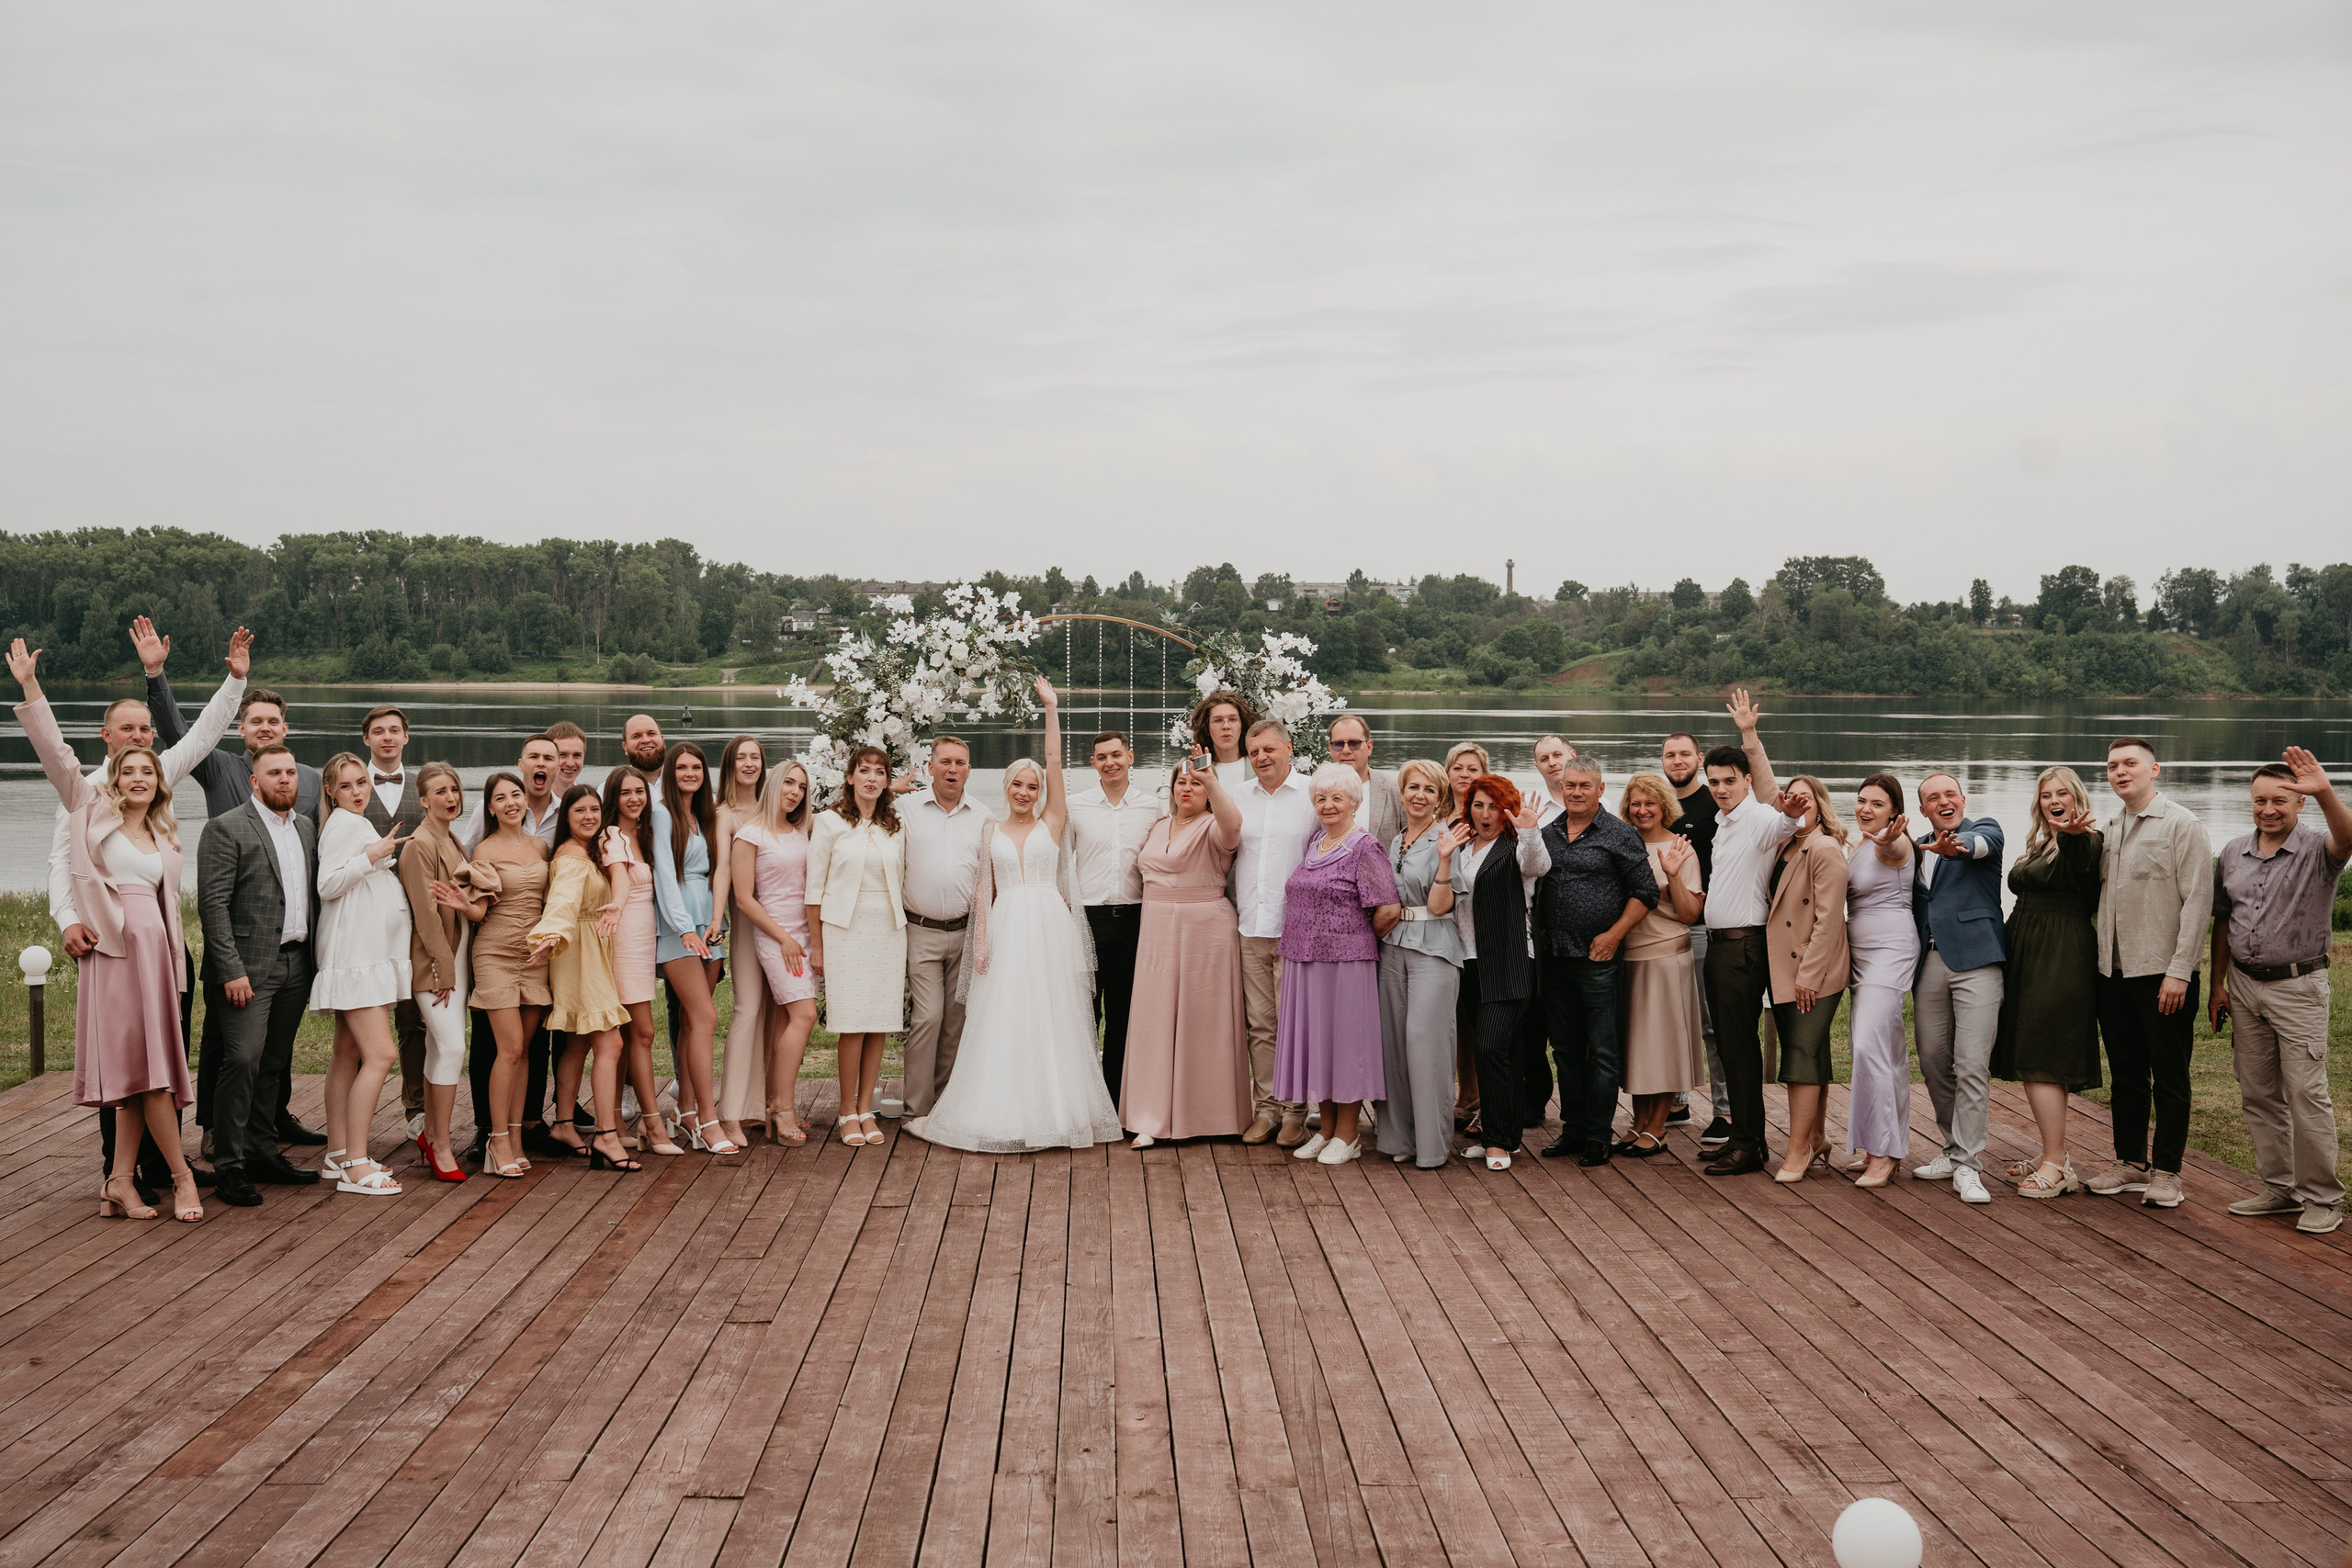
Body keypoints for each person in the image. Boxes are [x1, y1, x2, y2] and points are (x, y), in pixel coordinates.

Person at [49, 615, 249, 1199]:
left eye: (146, 729)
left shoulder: (155, 781)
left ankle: (161, 1164)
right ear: (106, 736)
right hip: (111, 941)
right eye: (128, 729)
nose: (140, 736)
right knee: (123, 1059)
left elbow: (204, 735)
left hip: (163, 945)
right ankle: (123, 1168)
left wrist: (231, 682)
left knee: (165, 1055)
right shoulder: (81, 794)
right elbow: (61, 865)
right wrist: (67, 921)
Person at [11, 639, 203, 1223]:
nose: (141, 775)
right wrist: (31, 688)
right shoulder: (91, 811)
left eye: (149, 769)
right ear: (115, 779)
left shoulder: (165, 835)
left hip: (157, 960)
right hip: (116, 959)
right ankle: (182, 1177)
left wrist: (175, 968)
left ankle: (119, 1181)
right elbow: (57, 755)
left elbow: (168, 912)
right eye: (130, 770)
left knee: (137, 1075)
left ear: (159, 779)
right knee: (152, 1079)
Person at [906, 680, 1125, 1152]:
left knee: (1054, 1011)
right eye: (1017, 785)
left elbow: (1052, 760)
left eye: (1032, 787)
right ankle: (1000, 1109)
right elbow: (984, 891)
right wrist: (981, 941)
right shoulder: (989, 829)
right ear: (1005, 787)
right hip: (1006, 926)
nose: (1025, 792)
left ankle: (1061, 1111)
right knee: (1004, 1015)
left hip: (1049, 923)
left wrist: (1051, 708)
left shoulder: (1053, 821)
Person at [153, 672, 331, 1155]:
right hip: (236, 934)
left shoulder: (306, 777)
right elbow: (177, 733)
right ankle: (215, 1127)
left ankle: (272, 1118)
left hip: (289, 938)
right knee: (225, 1041)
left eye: (274, 721)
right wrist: (157, 676)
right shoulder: (218, 767)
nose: (266, 728)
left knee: (275, 1044)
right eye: (256, 721)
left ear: (285, 729)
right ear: (240, 730)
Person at [2211, 749, 2349, 1235]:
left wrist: (2327, 790)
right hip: (2245, 987)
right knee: (2258, 1092)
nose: (2268, 809)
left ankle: (2323, 1198)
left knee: (2306, 1093)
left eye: (2280, 801)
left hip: (2298, 988)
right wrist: (2217, 987)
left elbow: (2349, 837)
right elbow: (2225, 922)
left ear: (2300, 804)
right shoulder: (2232, 852)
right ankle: (2281, 1188)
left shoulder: (2319, 850)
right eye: (2259, 801)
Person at [2086, 738, 2215, 1210]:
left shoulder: (2182, 825)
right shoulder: (2111, 828)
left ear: (2154, 769)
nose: (2120, 772)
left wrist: (2181, 972)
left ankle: (2168, 1171)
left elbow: (2199, 902)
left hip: (2164, 974)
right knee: (2126, 1073)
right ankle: (2129, 1163)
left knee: (2170, 1074)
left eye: (2130, 764)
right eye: (2113, 766)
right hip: (2113, 974)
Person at [195, 743, 322, 1208]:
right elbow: (213, 907)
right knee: (243, 1059)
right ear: (254, 780)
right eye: (274, 773)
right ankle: (229, 1165)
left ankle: (263, 1152)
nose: (285, 780)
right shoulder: (225, 828)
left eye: (290, 772)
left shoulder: (307, 827)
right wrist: (230, 969)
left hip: (295, 964)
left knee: (274, 1061)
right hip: (245, 970)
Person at [1697, 691, 1808, 1177]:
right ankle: (1746, 1136)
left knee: (1739, 1048)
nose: (1721, 789)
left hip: (1743, 946)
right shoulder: (1724, 822)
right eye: (1714, 782)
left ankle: (1747, 1145)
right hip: (1721, 946)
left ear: (1746, 780)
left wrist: (1750, 736)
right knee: (1728, 1044)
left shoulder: (1760, 818)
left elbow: (1788, 819)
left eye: (1729, 781)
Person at [1273, 763, 1404, 1166]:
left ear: (1354, 802)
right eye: (1321, 798)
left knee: (1346, 1048)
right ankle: (1326, 1130)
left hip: (1346, 965)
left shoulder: (1364, 847)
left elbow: (1388, 908)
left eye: (1337, 798)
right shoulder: (1317, 841)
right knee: (1320, 1047)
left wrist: (1354, 939)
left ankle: (1348, 1136)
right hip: (1304, 959)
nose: (1328, 805)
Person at [1533, 753, 1657, 1165]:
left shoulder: (1619, 834)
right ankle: (1573, 1129)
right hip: (1555, 958)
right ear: (1562, 788)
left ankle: (1598, 1135)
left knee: (1602, 1050)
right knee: (1565, 1050)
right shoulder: (1546, 832)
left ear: (1601, 789)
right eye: (1571, 785)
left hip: (1598, 958)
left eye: (1585, 785)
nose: (1577, 792)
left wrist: (1613, 935)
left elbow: (1645, 893)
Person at [1989, 767, 2104, 1200]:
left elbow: (2080, 860)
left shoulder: (2086, 840)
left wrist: (2073, 835)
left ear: (2076, 798)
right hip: (2027, 950)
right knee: (2033, 1051)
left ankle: (2057, 1164)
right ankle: (2049, 1153)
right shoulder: (2041, 843)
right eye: (2045, 795)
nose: (2053, 800)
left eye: (2062, 793)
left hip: (2060, 954)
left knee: (2044, 1054)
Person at [1121, 757, 1247, 1147]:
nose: (1186, 788)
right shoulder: (1159, 825)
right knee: (1153, 1019)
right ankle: (1150, 1115)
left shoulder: (1214, 825)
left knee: (1204, 1019)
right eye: (1180, 782)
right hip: (1156, 926)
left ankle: (1213, 1115)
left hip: (1204, 928)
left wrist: (1213, 780)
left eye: (1196, 783)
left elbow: (1234, 827)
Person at [310, 752, 415, 1199]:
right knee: (382, 1054)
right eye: (347, 785)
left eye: (361, 784)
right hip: (357, 960)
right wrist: (371, 855)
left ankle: (338, 1153)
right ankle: (355, 1163)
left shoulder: (352, 822)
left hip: (364, 956)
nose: (358, 791)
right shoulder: (345, 825)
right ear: (331, 791)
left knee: (347, 1053)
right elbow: (328, 884)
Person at [459, 734, 564, 1161]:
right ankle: (496, 1139)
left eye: (515, 796)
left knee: (525, 1053)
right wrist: (460, 904)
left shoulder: (541, 846)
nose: (510, 803)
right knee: (511, 1049)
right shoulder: (484, 848)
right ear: (489, 807)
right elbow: (481, 910)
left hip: (534, 957)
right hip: (496, 955)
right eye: (500, 798)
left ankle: (518, 1136)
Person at [528, 785, 640, 1172]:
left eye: (595, 809)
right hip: (577, 953)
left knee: (577, 1042)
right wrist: (551, 935)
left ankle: (562, 1124)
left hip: (590, 949)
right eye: (580, 811)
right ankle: (607, 1135)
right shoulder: (573, 858)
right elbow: (563, 902)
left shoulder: (591, 849)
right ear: (567, 817)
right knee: (610, 1042)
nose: (590, 816)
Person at [1908, 771, 2007, 1205]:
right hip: (1929, 959)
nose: (1943, 801)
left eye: (1950, 794)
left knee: (1971, 1062)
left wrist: (1956, 846)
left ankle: (1968, 1164)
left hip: (1977, 959)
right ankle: (1951, 1148)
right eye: (1933, 798)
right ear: (1923, 809)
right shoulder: (1917, 849)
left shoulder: (1984, 830)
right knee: (1932, 1058)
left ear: (1963, 799)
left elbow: (1980, 846)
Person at [807, 745, 910, 1146]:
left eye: (879, 772)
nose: (871, 778)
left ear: (886, 781)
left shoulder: (894, 825)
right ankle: (845, 1109)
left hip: (887, 928)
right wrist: (817, 946)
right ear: (849, 777)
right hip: (844, 930)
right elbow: (814, 890)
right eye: (863, 771)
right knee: (851, 1023)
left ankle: (867, 1108)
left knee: (880, 1021)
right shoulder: (829, 823)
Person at [1374, 761, 1470, 1169]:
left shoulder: (1446, 840)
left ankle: (1432, 1147)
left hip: (1434, 948)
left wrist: (1446, 860)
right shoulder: (1396, 841)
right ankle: (1401, 1138)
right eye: (1413, 787)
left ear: (1440, 797)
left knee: (1424, 1042)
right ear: (1402, 792)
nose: (1419, 795)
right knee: (1393, 1043)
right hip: (1393, 947)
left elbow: (1438, 905)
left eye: (1429, 790)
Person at [1453, 774, 1550, 1170]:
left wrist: (1528, 831)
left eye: (1494, 806)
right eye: (1478, 805)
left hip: (1509, 961)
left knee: (1490, 1047)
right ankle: (1504, 1134)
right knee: (1501, 1052)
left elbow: (1538, 865)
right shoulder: (1459, 845)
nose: (1485, 814)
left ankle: (1496, 1141)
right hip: (1467, 962)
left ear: (1506, 810)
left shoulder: (1515, 846)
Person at [1066, 728, 1163, 1105]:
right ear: (1093, 764)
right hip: (1087, 919)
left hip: (1135, 919)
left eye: (1116, 755)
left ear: (1130, 757)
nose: (1110, 762)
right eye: (1102, 757)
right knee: (1085, 1011)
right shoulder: (1076, 806)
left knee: (1124, 1013)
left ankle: (1117, 1098)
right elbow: (1060, 861)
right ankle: (1085, 1099)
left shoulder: (1151, 808)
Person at [1234, 718, 1318, 1145]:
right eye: (1254, 752)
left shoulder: (1312, 794)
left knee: (1293, 1023)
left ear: (1289, 748)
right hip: (1250, 926)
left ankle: (1295, 1111)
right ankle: (1265, 1108)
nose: (1262, 757)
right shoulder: (1238, 797)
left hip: (1296, 928)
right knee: (1260, 1025)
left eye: (1269, 749)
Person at [730, 760, 821, 1145]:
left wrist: (893, 791)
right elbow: (744, 899)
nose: (795, 792)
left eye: (801, 787)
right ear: (773, 784)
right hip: (776, 936)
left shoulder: (801, 830)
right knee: (805, 1015)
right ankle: (781, 1107)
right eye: (788, 783)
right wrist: (783, 938)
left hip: (803, 932)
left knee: (788, 1023)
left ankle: (781, 1102)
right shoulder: (751, 835)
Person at [899, 735, 990, 1117]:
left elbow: (989, 877)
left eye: (961, 762)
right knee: (928, 1017)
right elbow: (858, 806)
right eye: (946, 762)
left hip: (966, 932)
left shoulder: (985, 817)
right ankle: (916, 1111)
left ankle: (946, 1108)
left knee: (956, 1022)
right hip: (921, 930)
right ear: (931, 766)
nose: (953, 769)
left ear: (969, 769)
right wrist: (888, 785)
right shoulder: (905, 809)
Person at [1765, 775, 1851, 1182]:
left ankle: (1797, 1149)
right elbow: (1767, 790)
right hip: (1783, 966)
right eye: (1791, 796)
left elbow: (1830, 919)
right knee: (1810, 1050)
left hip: (1813, 971)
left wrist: (1809, 977)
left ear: (1820, 805)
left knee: (1799, 1053)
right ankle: (1816, 1136)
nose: (1799, 802)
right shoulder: (1786, 841)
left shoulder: (1825, 848)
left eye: (1807, 797)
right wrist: (1750, 737)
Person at [1614, 774, 1704, 1158]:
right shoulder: (1620, 844)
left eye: (1650, 803)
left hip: (1667, 954)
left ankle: (1657, 1126)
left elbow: (1689, 914)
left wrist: (1672, 875)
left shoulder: (1681, 848)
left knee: (1664, 1044)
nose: (1642, 810)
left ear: (1665, 806)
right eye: (1635, 803)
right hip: (1627, 955)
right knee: (1636, 1045)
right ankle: (1637, 1121)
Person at [652, 740, 734, 1153]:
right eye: (681, 767)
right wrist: (683, 927)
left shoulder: (704, 815)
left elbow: (719, 871)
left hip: (709, 925)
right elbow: (665, 874)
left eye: (696, 768)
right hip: (678, 927)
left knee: (690, 1022)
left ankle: (685, 1111)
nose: (689, 773)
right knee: (705, 1019)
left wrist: (715, 922)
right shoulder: (662, 813)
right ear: (671, 772)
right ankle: (708, 1119)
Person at [356, 705, 431, 1142]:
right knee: (357, 1021)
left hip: (414, 919)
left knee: (414, 1017)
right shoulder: (347, 783)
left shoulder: (424, 787)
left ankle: (416, 1109)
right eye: (378, 731)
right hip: (363, 919)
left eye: (395, 731)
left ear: (407, 737)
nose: (387, 738)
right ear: (366, 739)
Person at [399, 762, 476, 1181]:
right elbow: (425, 914)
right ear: (423, 800)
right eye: (440, 792)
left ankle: (430, 1133)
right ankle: (442, 1145)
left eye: (454, 789)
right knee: (451, 1048)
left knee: (437, 1049)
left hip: (459, 959)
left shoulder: (455, 841)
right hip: (434, 964)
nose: (450, 797)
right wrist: (442, 969)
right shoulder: (418, 845)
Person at [1844, 773, 1919, 1189]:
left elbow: (1896, 849)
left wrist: (1890, 838)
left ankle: (1883, 1153)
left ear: (1895, 813)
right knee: (1887, 1053)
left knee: (1868, 1045)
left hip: (1890, 953)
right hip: (1860, 958)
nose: (1866, 809)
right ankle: (1885, 1142)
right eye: (1861, 801)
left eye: (1876, 804)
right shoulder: (1857, 844)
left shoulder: (1894, 844)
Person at [600, 765, 678, 1155]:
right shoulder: (613, 836)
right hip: (624, 936)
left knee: (627, 1034)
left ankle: (614, 1117)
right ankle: (652, 1123)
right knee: (641, 1032)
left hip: (646, 938)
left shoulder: (643, 834)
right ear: (612, 798)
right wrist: (614, 904)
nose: (634, 798)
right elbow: (618, 878)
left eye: (640, 792)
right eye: (626, 792)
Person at [1660, 728, 1725, 1145]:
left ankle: (1725, 1110)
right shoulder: (1658, 804)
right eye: (1670, 755)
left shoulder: (1715, 805)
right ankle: (1676, 1100)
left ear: (1699, 759)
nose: (1677, 761)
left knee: (1711, 1023)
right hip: (1662, 928)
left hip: (1704, 926)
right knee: (1669, 1019)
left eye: (1685, 754)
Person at [711, 734, 770, 1149]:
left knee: (774, 1015)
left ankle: (762, 1106)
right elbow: (722, 872)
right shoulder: (725, 814)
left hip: (783, 921)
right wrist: (717, 918)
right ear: (730, 765)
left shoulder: (777, 806)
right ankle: (729, 1112)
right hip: (748, 922)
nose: (749, 763)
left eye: (756, 757)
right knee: (748, 1009)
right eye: (741, 757)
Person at [1443, 741, 1496, 1132]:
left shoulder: (1492, 819)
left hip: (1484, 936)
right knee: (1458, 1022)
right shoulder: (1439, 819)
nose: (1465, 774)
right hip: (1446, 935)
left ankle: (1484, 1100)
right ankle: (1465, 1095)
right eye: (1458, 767)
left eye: (1473, 768)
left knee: (1484, 1023)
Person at [1328, 715, 1403, 842]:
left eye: (1354, 743)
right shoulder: (1317, 792)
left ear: (1369, 747)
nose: (1346, 750)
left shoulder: (1394, 789)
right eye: (1339, 744)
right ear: (1330, 749)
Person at [1190, 688, 1257, 791]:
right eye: (1218, 720)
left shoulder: (1258, 766)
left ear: (1242, 725)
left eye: (1232, 719)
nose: (1226, 726)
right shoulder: (1193, 769)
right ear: (1206, 727)